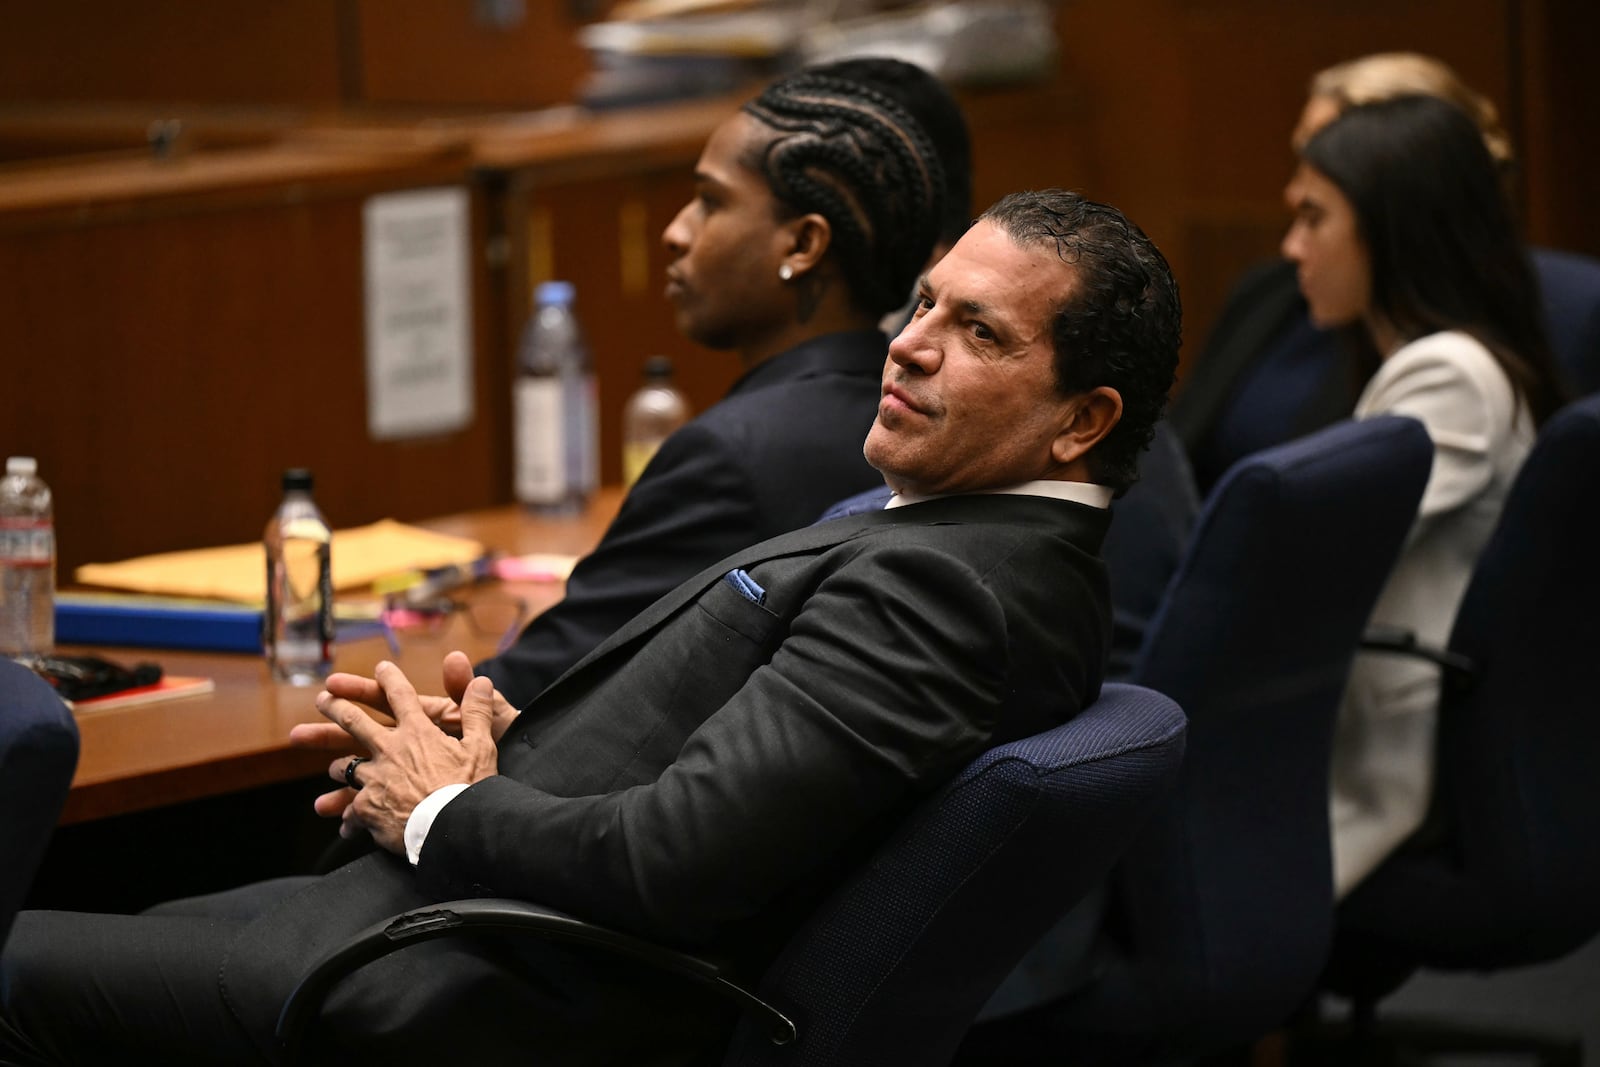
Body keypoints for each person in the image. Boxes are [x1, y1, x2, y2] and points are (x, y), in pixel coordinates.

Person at [0, 189, 1182, 1065]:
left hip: (465, 987)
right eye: (921, 302)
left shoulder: (950, 589)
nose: (909, 342)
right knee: (131, 906)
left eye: (979, 333)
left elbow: (677, 865)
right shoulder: (977, 543)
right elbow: (757, 784)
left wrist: (442, 807)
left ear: (1082, 420)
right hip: (463, 923)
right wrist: (517, 735)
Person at [481, 58, 972, 707]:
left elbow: (535, 687)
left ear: (803, 245)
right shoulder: (917, 418)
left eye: (710, 202)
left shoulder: (725, 458)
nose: (675, 232)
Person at [1280, 95, 1566, 897]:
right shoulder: (1439, 362)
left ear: (1391, 227)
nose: (1291, 247)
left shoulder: (1450, 376)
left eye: (1314, 217)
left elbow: (1318, 566)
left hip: (1391, 757)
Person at [1172, 51, 1600, 493]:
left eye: (1316, 208)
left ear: (1397, 202)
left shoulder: (1447, 375)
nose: (1295, 190)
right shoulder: (1278, 293)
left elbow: (1324, 540)